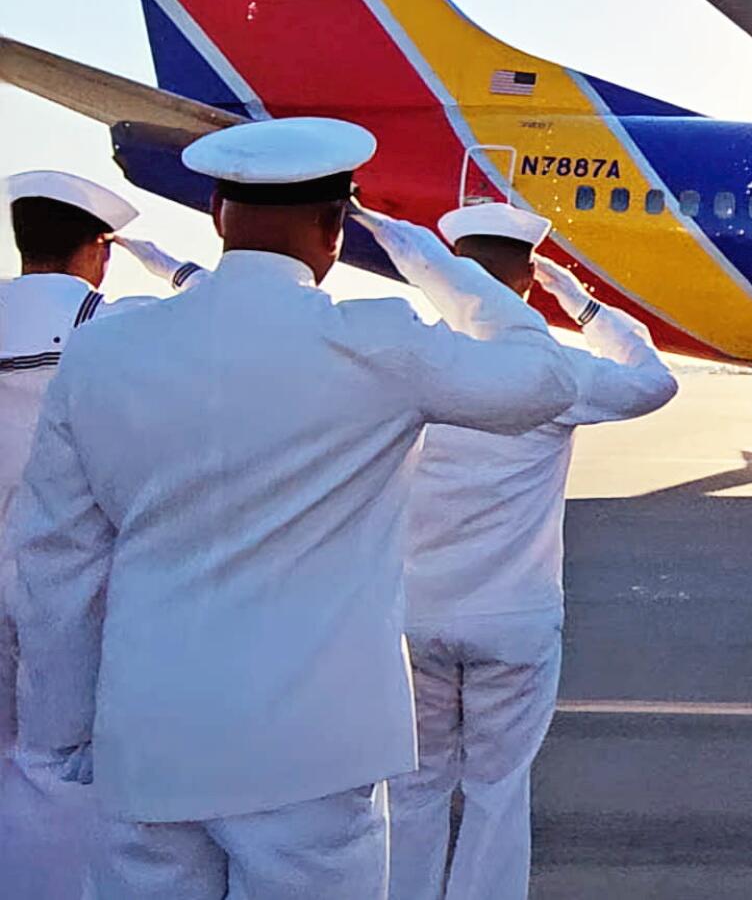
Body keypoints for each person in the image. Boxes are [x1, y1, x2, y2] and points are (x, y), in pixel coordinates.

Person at [8, 118, 580, 897]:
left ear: (216, 215)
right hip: (313, 756)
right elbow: (542, 379)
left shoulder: (105, 352)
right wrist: (455, 275)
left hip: (148, 742)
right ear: (334, 229)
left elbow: (56, 563)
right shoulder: (378, 344)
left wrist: (64, 730)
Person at [380, 202, 678, 900]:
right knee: (496, 792)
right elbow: (654, 380)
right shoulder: (558, 374)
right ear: (524, 281)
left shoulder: (407, 361)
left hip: (412, 617)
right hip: (513, 621)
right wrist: (583, 304)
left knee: (412, 792)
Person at [0, 171, 204, 897]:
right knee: (62, 774)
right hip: (74, 589)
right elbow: (229, 311)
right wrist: (172, 264)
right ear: (100, 250)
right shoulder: (119, 323)